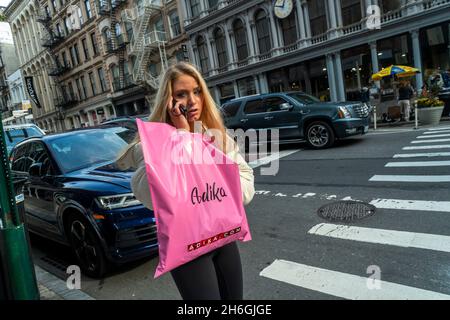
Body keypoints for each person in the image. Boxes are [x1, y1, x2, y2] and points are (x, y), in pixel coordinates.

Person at [115, 62, 255, 300]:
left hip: (223, 238)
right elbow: (150, 196)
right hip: (189, 249)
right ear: (169, 102)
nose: (192, 101)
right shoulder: (152, 145)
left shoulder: (217, 138)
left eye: (197, 91)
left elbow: (245, 190)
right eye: (182, 94)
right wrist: (182, 138)